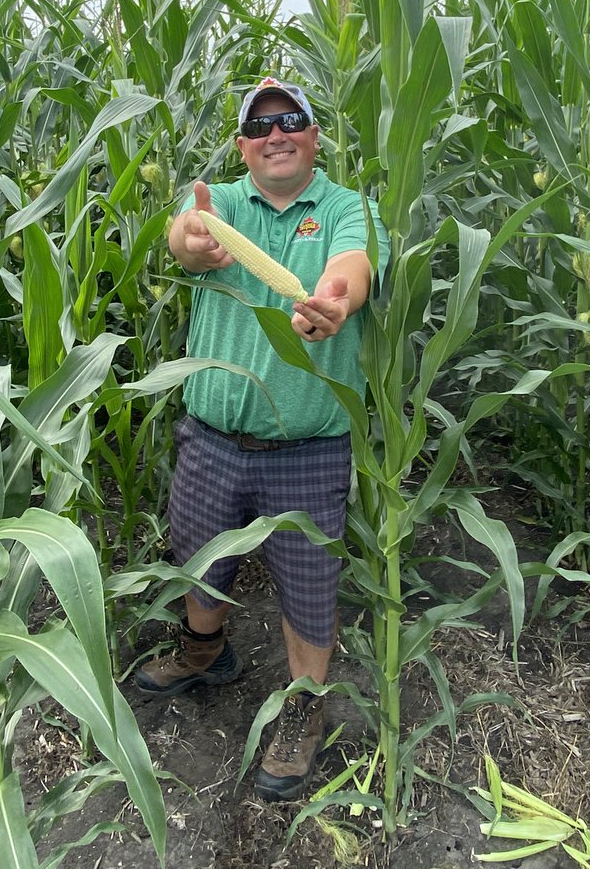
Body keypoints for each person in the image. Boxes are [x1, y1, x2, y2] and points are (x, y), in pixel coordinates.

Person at [135, 76, 388, 802]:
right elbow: (184, 238)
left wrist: (335, 299)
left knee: (310, 590)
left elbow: (352, 266)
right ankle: (203, 651)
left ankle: (303, 712)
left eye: (293, 120)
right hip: (212, 436)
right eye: (260, 125)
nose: (277, 133)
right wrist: (193, 240)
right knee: (197, 562)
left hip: (308, 448)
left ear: (315, 135)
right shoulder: (218, 203)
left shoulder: (349, 209)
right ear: (243, 145)